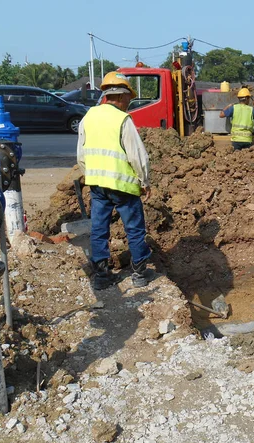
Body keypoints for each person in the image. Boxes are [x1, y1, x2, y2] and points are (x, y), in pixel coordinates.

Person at [77, 71, 153, 290]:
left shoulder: (88, 116)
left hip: (97, 185)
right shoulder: (123, 119)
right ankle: (139, 274)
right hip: (123, 186)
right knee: (135, 229)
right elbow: (137, 155)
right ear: (120, 96)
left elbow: (81, 155)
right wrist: (144, 181)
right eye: (128, 99)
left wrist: (90, 174)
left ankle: (101, 276)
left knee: (99, 229)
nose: (129, 103)